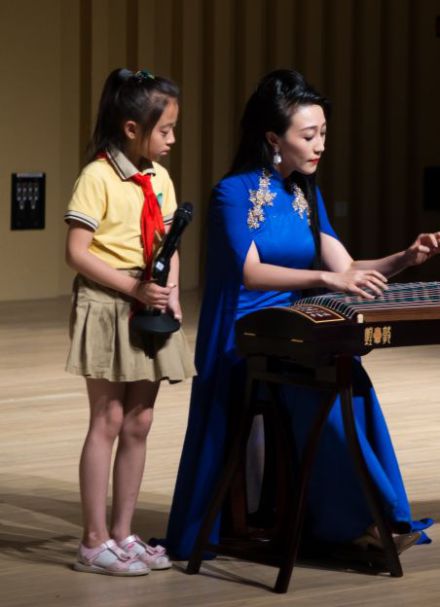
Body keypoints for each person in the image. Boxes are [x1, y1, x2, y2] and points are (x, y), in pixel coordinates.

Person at [164, 69, 440, 561]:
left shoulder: (304, 193)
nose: (320, 144)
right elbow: (251, 273)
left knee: (348, 378)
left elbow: (348, 268)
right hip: (243, 339)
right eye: (309, 135)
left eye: (323, 133)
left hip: (293, 331)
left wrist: (407, 257)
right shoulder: (232, 193)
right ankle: (358, 521)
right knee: (321, 391)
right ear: (273, 138)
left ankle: (366, 517)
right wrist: (325, 279)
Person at [64, 68, 196, 576]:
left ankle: (123, 534)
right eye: (165, 129)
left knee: (140, 420)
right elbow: (77, 253)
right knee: (109, 418)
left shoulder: (159, 177)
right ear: (131, 128)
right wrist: (134, 288)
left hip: (149, 304)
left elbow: (169, 240)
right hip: (108, 304)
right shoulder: (97, 177)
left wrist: (172, 291)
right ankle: (93, 541)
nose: (172, 139)